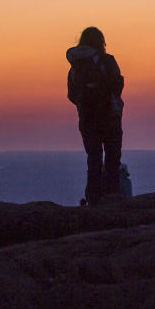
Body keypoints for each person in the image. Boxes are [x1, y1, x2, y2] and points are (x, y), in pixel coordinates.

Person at [66, 27, 124, 206]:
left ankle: (94, 200)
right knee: (112, 160)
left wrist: (86, 105)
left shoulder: (76, 66)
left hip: (87, 121)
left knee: (93, 161)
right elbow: (117, 84)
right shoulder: (106, 61)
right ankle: (113, 200)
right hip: (109, 117)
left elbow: (71, 94)